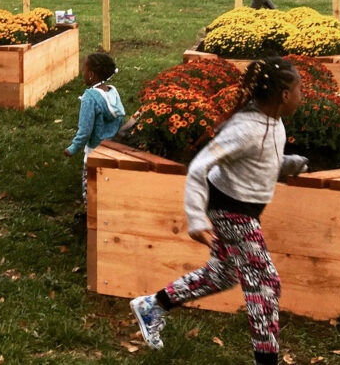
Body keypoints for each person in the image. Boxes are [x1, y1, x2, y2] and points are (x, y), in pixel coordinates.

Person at [130, 58, 308, 365]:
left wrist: (286, 164)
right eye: (299, 88)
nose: (301, 94)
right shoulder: (246, 128)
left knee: (223, 274)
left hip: (242, 207)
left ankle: (152, 306)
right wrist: (197, 218)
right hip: (230, 209)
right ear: (283, 95)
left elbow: (258, 159)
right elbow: (200, 165)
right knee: (265, 282)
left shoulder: (272, 120)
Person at [63, 53, 125, 207]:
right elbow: (120, 118)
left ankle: (90, 219)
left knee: (90, 190)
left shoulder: (90, 98)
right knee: (108, 189)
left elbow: (85, 130)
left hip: (94, 152)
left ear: (91, 74)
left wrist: (72, 148)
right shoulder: (112, 92)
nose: (82, 73)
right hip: (112, 149)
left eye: (84, 69)